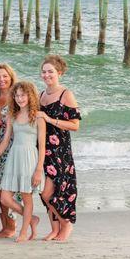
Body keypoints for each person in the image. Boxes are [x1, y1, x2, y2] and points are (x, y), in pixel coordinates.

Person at [37, 55, 81, 242]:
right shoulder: (41, 95)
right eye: (44, 72)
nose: (47, 75)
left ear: (59, 73)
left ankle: (66, 224)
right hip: (43, 149)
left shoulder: (66, 94)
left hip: (60, 151)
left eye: (51, 72)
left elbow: (75, 125)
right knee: (43, 192)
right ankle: (54, 229)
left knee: (53, 192)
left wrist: (50, 120)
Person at [0, 81, 45, 243]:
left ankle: (24, 232)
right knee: (5, 198)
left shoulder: (38, 116)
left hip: (30, 158)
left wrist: (38, 170)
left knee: (26, 196)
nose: (20, 98)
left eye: (23, 95)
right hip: (14, 157)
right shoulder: (12, 115)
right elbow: (5, 141)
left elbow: (42, 146)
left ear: (30, 96)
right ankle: (31, 219)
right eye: (16, 95)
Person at [0, 63, 18, 238]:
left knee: (5, 188)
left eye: (5, 76)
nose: (1, 79)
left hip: (11, 146)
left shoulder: (17, 97)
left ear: (11, 77)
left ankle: (11, 226)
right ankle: (4, 226)